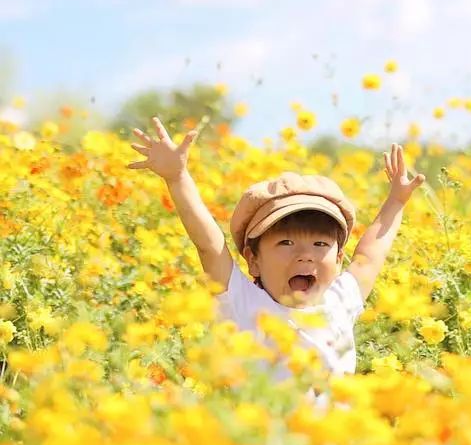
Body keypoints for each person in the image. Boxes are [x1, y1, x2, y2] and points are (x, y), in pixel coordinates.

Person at [127, 116, 425, 379]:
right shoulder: (244, 305)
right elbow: (208, 245)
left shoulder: (340, 301)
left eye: (320, 244)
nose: (305, 254)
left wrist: (396, 201)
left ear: (338, 259)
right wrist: (178, 178)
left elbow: (368, 257)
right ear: (252, 260)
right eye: (286, 242)